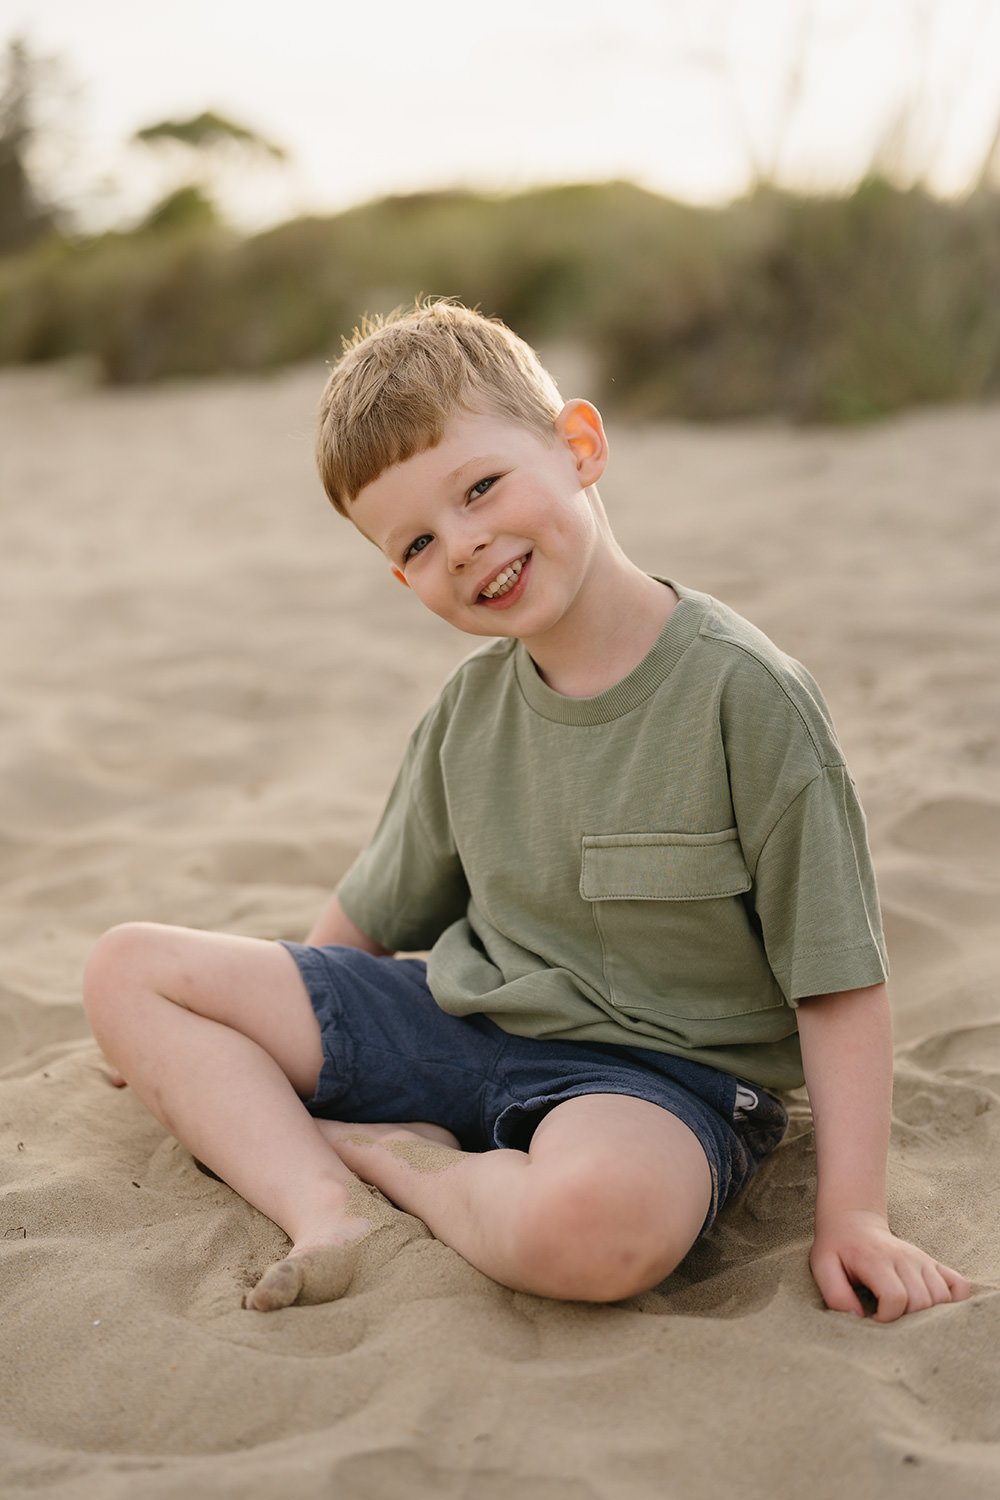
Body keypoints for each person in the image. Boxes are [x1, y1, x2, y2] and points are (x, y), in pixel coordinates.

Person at [83, 300, 970, 1321]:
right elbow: (366, 927)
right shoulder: (468, 713)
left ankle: (405, 1165)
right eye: (416, 541)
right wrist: (281, 1046)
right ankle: (323, 1201)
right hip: (460, 1028)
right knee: (127, 969)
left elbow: (837, 985)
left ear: (579, 447)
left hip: (653, 1088)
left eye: (481, 488)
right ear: (398, 572)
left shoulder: (745, 696)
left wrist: (853, 1216)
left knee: (597, 1230)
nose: (460, 546)